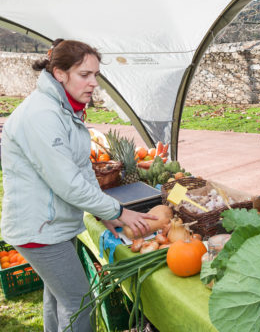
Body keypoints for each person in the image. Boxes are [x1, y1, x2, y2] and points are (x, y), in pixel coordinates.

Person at [0, 39, 156, 331]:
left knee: (57, 299)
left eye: (96, 75)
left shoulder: (63, 109)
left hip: (54, 225)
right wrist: (119, 211)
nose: (93, 83)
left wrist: (106, 213)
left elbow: (82, 169)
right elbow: (67, 183)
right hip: (41, 229)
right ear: (60, 73)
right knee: (79, 302)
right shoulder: (42, 115)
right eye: (85, 75)